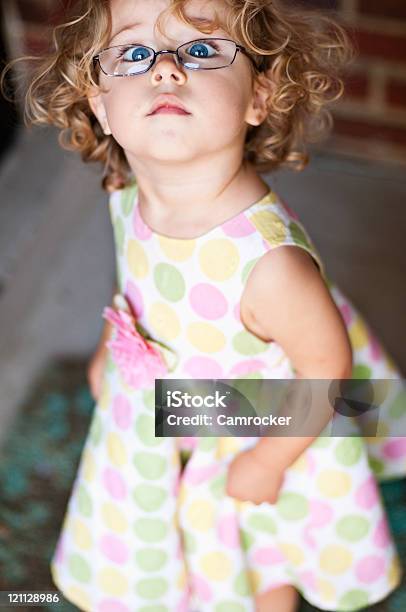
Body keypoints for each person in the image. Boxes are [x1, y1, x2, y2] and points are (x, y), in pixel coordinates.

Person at [2, 0, 406, 610]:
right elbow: (139, 283)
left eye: (201, 50)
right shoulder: (125, 191)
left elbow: (327, 373)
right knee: (190, 535)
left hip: (253, 423)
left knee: (254, 543)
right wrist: (110, 353)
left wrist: (271, 458)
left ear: (259, 98)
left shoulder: (271, 268)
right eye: (135, 53)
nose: (166, 69)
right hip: (177, 407)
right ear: (100, 102)